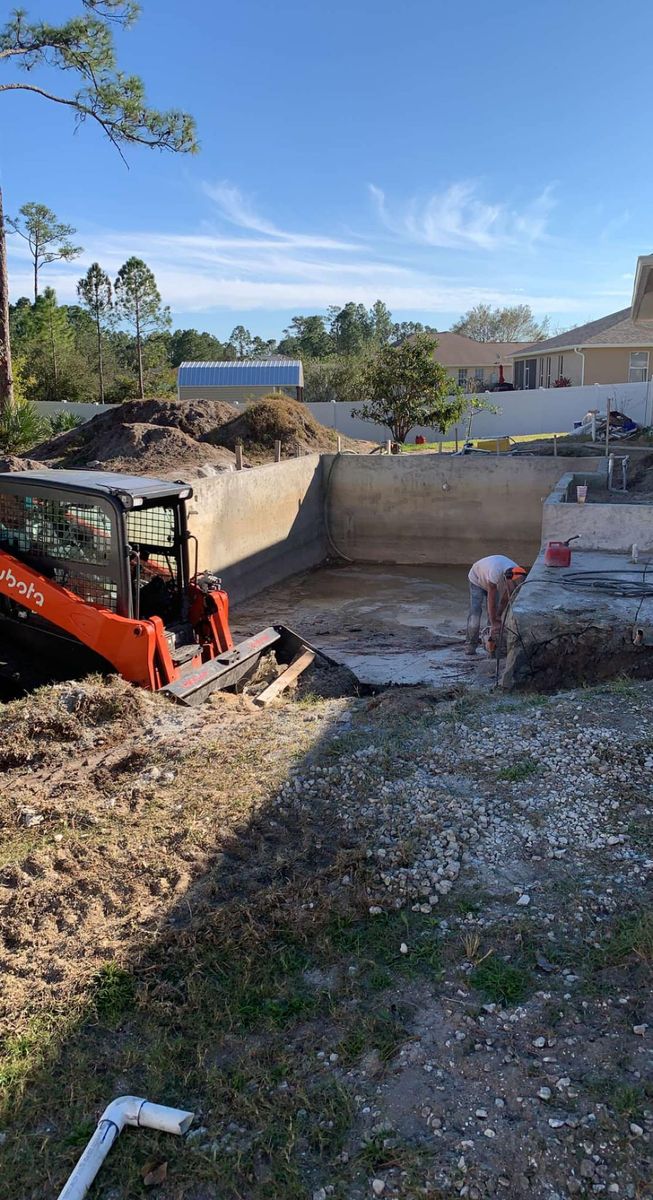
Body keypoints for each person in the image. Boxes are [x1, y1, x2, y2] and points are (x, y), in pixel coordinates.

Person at [464, 555, 527, 655]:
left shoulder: (516, 572)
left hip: (491, 576)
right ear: (508, 579)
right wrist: (494, 623)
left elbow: (505, 599)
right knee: (476, 612)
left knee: (494, 614)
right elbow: (491, 600)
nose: (515, 587)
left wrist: (498, 617)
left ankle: (492, 645)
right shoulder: (496, 572)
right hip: (476, 577)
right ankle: (470, 645)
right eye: (513, 585)